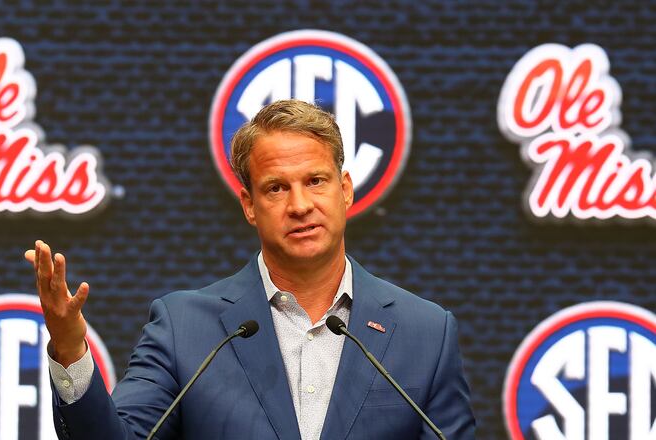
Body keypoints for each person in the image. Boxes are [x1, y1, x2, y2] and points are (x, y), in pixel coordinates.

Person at [26, 99, 476, 439]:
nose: (300, 206)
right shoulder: (185, 329)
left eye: (315, 181)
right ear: (250, 206)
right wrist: (69, 348)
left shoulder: (426, 334)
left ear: (345, 190)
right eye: (276, 188)